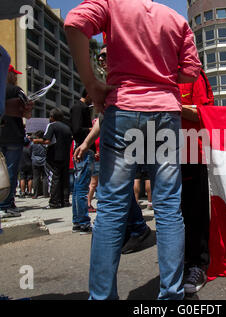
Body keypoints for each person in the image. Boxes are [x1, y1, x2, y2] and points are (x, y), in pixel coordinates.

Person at [64, 0, 201, 300]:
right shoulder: (176, 19)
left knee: (112, 208)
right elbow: (191, 72)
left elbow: (74, 23)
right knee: (168, 207)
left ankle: (101, 297)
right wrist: (161, 79)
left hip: (123, 108)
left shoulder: (112, 6)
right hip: (165, 112)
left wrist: (92, 82)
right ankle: (172, 295)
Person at [74, 116, 151, 252]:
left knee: (117, 188)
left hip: (127, 137)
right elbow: (103, 114)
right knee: (116, 188)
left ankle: (137, 228)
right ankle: (132, 227)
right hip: (116, 140)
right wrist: (87, 142)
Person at [179, 68, 214, 294]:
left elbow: (205, 113)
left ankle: (197, 264)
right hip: (160, 151)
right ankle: (178, 261)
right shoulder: (154, 71)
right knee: (171, 213)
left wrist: (173, 105)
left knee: (194, 213)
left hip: (191, 151)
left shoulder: (192, 75)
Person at [0, 65, 32, 218]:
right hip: (13, 136)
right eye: (14, 74)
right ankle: (5, 206)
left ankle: (8, 202)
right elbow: (27, 114)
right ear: (8, 74)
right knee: (11, 172)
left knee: (1, 172)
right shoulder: (16, 90)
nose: (16, 77)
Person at [33, 108, 72, 209]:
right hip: (66, 156)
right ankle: (65, 200)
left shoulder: (51, 126)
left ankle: (54, 202)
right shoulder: (67, 127)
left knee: (54, 178)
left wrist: (36, 140)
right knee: (64, 178)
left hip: (54, 156)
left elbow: (47, 141)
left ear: (52, 117)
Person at [70, 89, 95, 234]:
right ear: (88, 94)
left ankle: (78, 221)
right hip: (84, 150)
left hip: (81, 149)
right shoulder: (80, 108)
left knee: (78, 187)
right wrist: (93, 129)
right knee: (82, 188)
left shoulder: (79, 108)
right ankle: (83, 222)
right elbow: (77, 129)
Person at [30, 130, 48, 199]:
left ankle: (35, 194)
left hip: (35, 161)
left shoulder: (33, 143)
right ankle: (45, 193)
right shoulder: (44, 143)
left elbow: (30, 151)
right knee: (45, 177)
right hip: (44, 161)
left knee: (36, 178)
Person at [87, 117, 100, 213]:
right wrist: (94, 153)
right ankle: (88, 204)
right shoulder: (92, 136)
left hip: (104, 161)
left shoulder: (103, 134)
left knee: (99, 184)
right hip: (96, 161)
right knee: (93, 184)